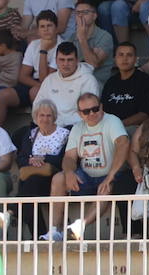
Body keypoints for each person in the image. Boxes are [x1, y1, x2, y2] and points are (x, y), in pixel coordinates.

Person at [42, 92, 135, 241]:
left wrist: (110, 176)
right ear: (80, 114)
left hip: (111, 174)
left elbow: (123, 144)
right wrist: (69, 172)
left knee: (107, 187)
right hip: (86, 176)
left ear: (101, 107)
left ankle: (80, 226)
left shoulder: (112, 121)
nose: (91, 113)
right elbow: (69, 157)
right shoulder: (77, 128)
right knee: (59, 178)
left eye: (95, 109)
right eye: (86, 111)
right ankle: (54, 231)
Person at [15, 99, 68, 239]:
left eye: (49, 115)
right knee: (31, 184)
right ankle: (41, 236)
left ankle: (14, 212)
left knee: (29, 187)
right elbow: (21, 159)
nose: (45, 119)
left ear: (54, 117)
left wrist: (43, 159)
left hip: (54, 180)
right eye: (41, 115)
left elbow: (63, 159)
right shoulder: (30, 134)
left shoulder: (64, 134)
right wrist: (30, 160)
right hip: (33, 180)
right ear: (36, 117)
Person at [34, 42, 99, 128]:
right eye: (62, 60)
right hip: (49, 126)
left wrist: (60, 125)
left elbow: (89, 112)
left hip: (76, 128)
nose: (65, 64)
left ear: (77, 60)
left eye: (70, 60)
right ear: (56, 61)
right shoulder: (49, 79)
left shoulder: (88, 80)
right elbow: (37, 107)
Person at [102, 41, 149, 128]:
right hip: (111, 128)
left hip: (135, 128)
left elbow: (146, 113)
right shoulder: (110, 82)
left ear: (135, 59)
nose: (125, 58)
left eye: (129, 55)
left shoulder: (145, 81)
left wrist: (119, 125)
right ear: (115, 59)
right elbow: (103, 111)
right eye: (121, 55)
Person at [62, 0, 115, 83]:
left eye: (85, 12)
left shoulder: (105, 37)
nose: (80, 15)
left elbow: (93, 64)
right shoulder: (71, 38)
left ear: (94, 16)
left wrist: (82, 39)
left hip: (97, 82)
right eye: (78, 13)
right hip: (75, 81)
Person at [20, 11, 62, 100]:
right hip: (35, 82)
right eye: (42, 26)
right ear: (38, 30)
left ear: (56, 28)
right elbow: (23, 76)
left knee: (35, 91)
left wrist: (43, 50)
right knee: (4, 94)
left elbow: (45, 79)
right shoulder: (34, 44)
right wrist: (39, 85)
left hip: (56, 83)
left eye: (49, 26)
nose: (46, 29)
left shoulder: (62, 46)